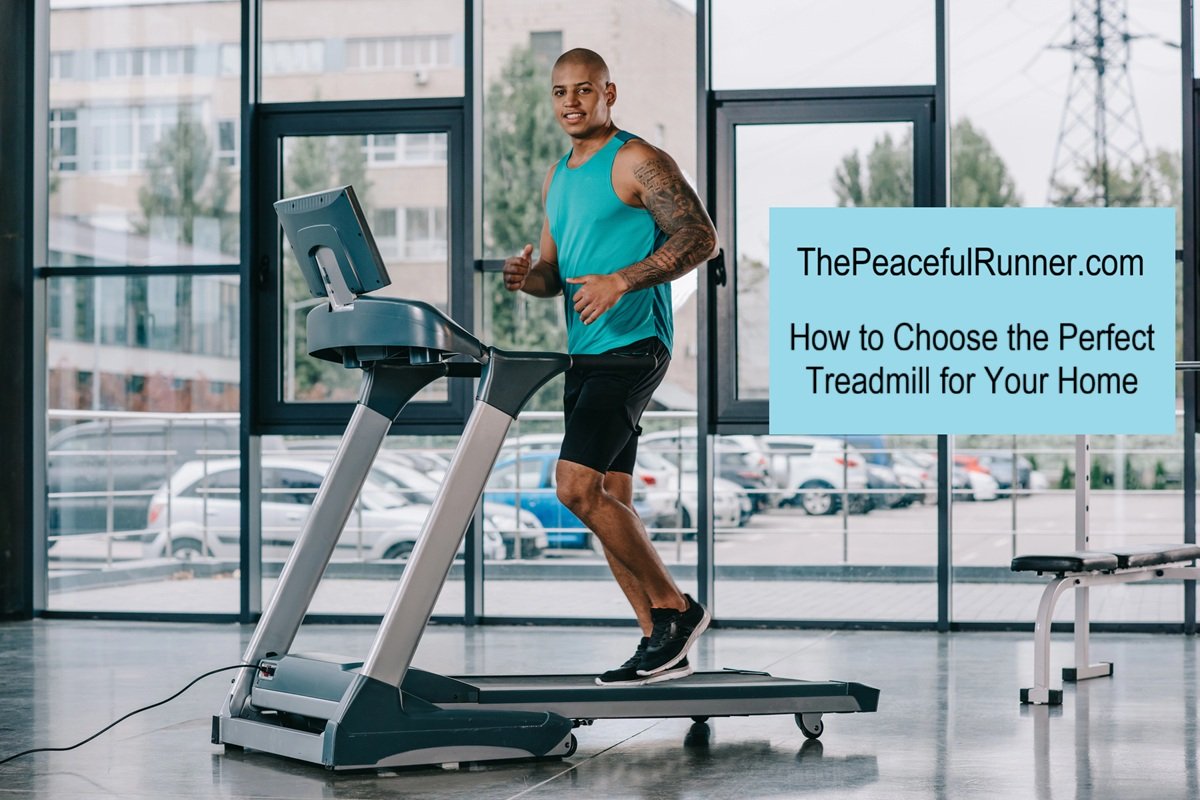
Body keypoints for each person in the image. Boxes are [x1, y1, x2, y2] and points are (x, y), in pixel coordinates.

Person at [502, 48, 719, 686]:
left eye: (584, 90)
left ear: (608, 93)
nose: (571, 102)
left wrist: (623, 279)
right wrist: (528, 277)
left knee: (573, 488)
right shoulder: (556, 176)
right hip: (587, 353)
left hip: (634, 345)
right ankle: (659, 643)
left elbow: (701, 238)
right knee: (609, 498)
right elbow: (553, 275)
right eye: (560, 91)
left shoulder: (637, 159)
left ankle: (677, 613)